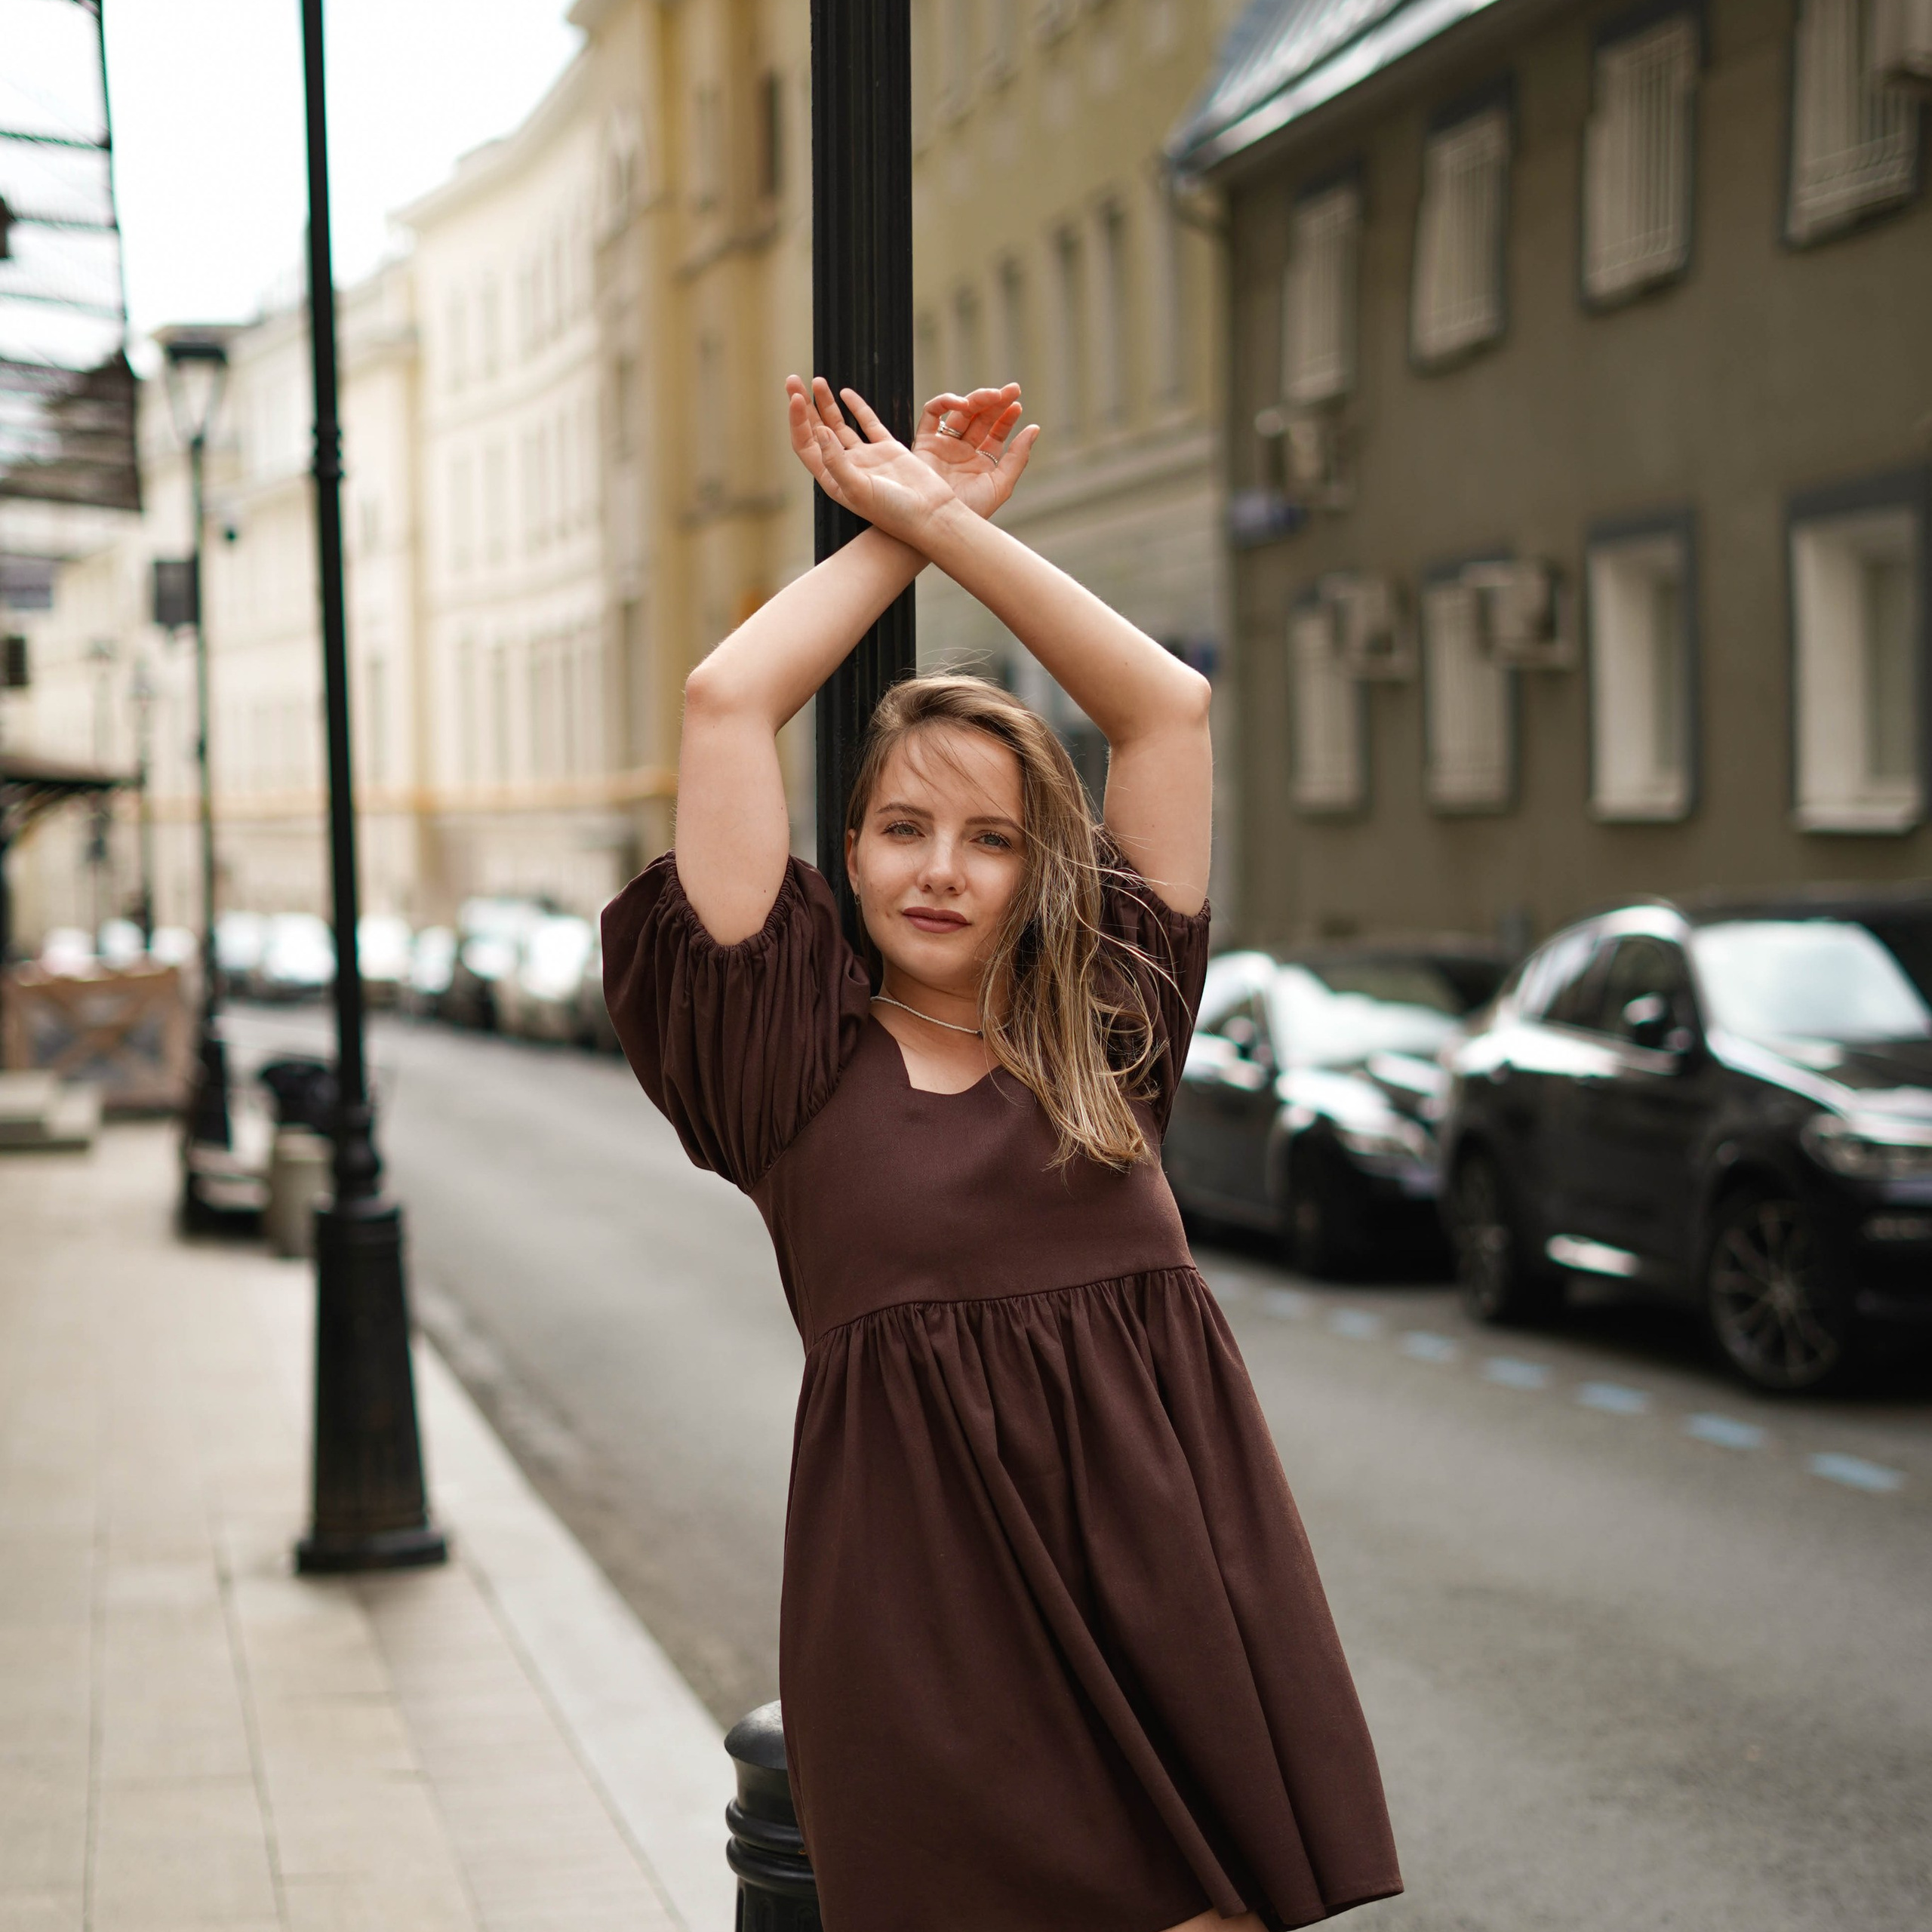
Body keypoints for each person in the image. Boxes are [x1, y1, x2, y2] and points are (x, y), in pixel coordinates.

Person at [601, 376, 1401, 1932]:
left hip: (1169, 1579)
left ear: (1043, 864)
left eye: (989, 836)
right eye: (903, 826)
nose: (942, 869)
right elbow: (722, 700)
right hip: (923, 1631)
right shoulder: (779, 1068)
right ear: (845, 851)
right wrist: (895, 539)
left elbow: (1163, 706)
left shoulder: (1109, 1026)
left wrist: (955, 522)